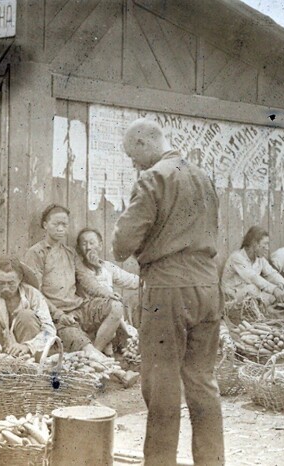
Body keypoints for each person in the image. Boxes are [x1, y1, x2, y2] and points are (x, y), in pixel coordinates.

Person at [112, 118, 224, 466]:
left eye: (134, 155)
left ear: (146, 143)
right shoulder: (203, 176)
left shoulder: (153, 177)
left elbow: (122, 243)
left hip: (167, 289)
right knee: (202, 379)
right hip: (207, 286)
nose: (134, 164)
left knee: (162, 384)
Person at [24, 204, 118, 359]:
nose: (61, 229)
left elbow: (86, 279)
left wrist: (107, 293)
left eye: (64, 225)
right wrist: (59, 314)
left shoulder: (70, 253)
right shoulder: (36, 253)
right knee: (75, 335)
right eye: (56, 224)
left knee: (116, 306)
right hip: (56, 314)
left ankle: (95, 351)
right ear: (45, 225)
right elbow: (35, 293)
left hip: (78, 307)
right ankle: (91, 354)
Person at [0, 257, 57, 358]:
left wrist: (28, 346)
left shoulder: (32, 294)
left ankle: (28, 363)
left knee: (27, 316)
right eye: (1, 283)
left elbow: (49, 330)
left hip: (27, 350)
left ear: (20, 279)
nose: (6, 288)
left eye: (11, 283)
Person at [76, 227, 140, 325]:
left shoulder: (107, 266)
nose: (88, 247)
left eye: (92, 243)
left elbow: (132, 280)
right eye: (84, 244)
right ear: (79, 249)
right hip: (91, 316)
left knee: (136, 300)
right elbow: (92, 287)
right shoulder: (78, 269)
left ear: (100, 246)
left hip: (113, 312)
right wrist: (94, 267)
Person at [222, 226, 284, 307]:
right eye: (265, 244)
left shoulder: (259, 259)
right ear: (254, 244)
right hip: (232, 297)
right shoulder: (237, 257)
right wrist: (274, 289)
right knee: (254, 289)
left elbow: (272, 273)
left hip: (251, 294)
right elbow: (253, 278)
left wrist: (281, 284)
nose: (267, 248)